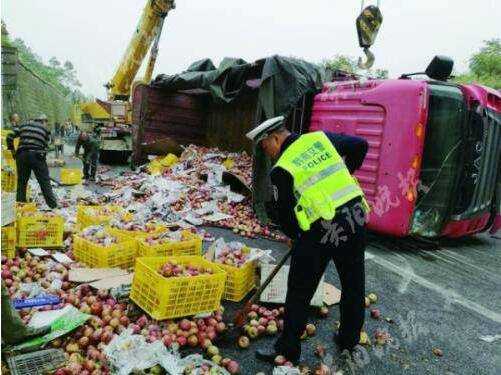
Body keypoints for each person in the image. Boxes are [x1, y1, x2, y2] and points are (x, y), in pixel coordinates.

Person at [248, 116, 369, 365]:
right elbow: (359, 145)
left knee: (300, 290)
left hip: (320, 230)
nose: (267, 153)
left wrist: (296, 238)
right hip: (354, 218)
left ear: (275, 138)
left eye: (265, 147)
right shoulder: (319, 138)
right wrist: (347, 172)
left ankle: (287, 349)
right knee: (353, 283)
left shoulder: (282, 168)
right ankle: (348, 340)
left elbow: (287, 218)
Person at [6, 113, 58, 209]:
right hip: (37, 155)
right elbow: (47, 145)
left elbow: (9, 137)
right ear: (43, 121)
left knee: (22, 182)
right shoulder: (45, 129)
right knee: (44, 181)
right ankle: (53, 206)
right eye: (46, 122)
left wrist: (13, 152)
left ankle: (20, 207)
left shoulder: (23, 126)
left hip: (22, 156)